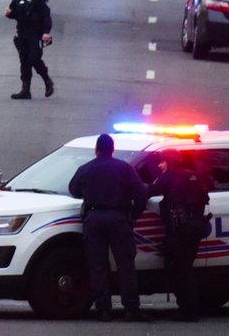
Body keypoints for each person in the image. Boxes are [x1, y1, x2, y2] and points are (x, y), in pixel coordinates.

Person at [69, 134, 149, 322]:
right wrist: (131, 217)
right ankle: (131, 308)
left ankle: (103, 309)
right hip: (119, 218)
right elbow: (141, 195)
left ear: (96, 149)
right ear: (112, 149)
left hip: (94, 219)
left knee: (98, 266)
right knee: (126, 265)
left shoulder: (86, 168)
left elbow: (73, 189)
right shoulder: (124, 168)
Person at [148, 150, 211, 322]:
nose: (160, 165)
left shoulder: (170, 175)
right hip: (195, 228)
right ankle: (189, 309)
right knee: (186, 267)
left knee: (180, 270)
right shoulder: (192, 176)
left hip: (179, 230)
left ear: (170, 161)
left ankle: (188, 311)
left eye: (162, 162)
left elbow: (150, 190)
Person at [4, 0, 53, 99]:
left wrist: (46, 32)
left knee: (34, 58)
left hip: (35, 34)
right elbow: (13, 13)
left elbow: (46, 16)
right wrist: (9, 14)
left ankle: (48, 81)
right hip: (22, 34)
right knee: (24, 61)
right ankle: (25, 90)